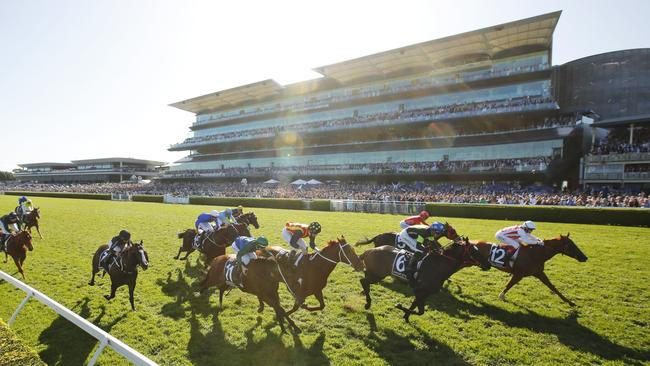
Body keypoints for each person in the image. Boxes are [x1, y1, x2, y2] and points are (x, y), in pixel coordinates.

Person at [399, 222, 449, 287]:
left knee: (426, 249)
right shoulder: (424, 232)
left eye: (439, 233)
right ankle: (409, 268)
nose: (437, 235)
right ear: (433, 230)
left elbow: (432, 242)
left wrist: (439, 248)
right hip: (405, 235)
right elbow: (418, 246)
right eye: (437, 233)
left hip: (413, 232)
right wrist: (427, 250)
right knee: (419, 251)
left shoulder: (430, 232)